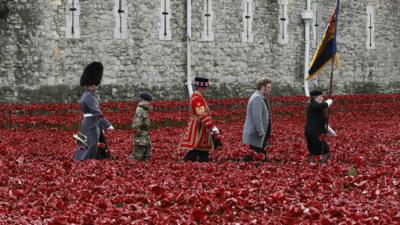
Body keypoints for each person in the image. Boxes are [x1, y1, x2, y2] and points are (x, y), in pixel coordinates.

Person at [73, 62, 114, 161]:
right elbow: (97, 113)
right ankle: (84, 160)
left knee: (90, 142)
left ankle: (98, 158)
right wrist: (107, 124)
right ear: (90, 85)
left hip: (90, 122)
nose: (96, 86)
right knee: (92, 144)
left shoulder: (88, 94)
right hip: (91, 123)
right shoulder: (89, 97)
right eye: (95, 85)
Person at [180, 77, 220, 162]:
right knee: (198, 148)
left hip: (200, 127)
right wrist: (212, 126)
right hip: (198, 128)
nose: (206, 89)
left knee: (200, 148)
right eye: (205, 88)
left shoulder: (198, 97)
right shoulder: (197, 99)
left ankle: (200, 161)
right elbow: (202, 114)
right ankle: (187, 161)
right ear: (200, 87)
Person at [242, 78, 272, 161]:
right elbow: (257, 118)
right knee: (254, 155)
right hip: (257, 133)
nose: (270, 90)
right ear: (263, 87)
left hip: (258, 133)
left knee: (256, 154)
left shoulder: (260, 97)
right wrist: (261, 132)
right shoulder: (257, 98)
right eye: (268, 87)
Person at [304, 90, 336, 165]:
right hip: (314, 133)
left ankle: (311, 165)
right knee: (326, 151)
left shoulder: (314, 106)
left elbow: (321, 121)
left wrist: (330, 132)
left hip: (311, 132)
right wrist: (329, 101)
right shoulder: (313, 105)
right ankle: (323, 165)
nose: (322, 98)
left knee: (313, 151)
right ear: (315, 97)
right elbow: (323, 105)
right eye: (320, 96)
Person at [130, 92, 153, 161]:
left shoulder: (144, 110)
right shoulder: (139, 110)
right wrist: (138, 134)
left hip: (145, 135)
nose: (149, 103)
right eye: (148, 101)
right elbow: (137, 124)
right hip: (141, 136)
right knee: (138, 155)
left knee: (147, 155)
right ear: (143, 100)